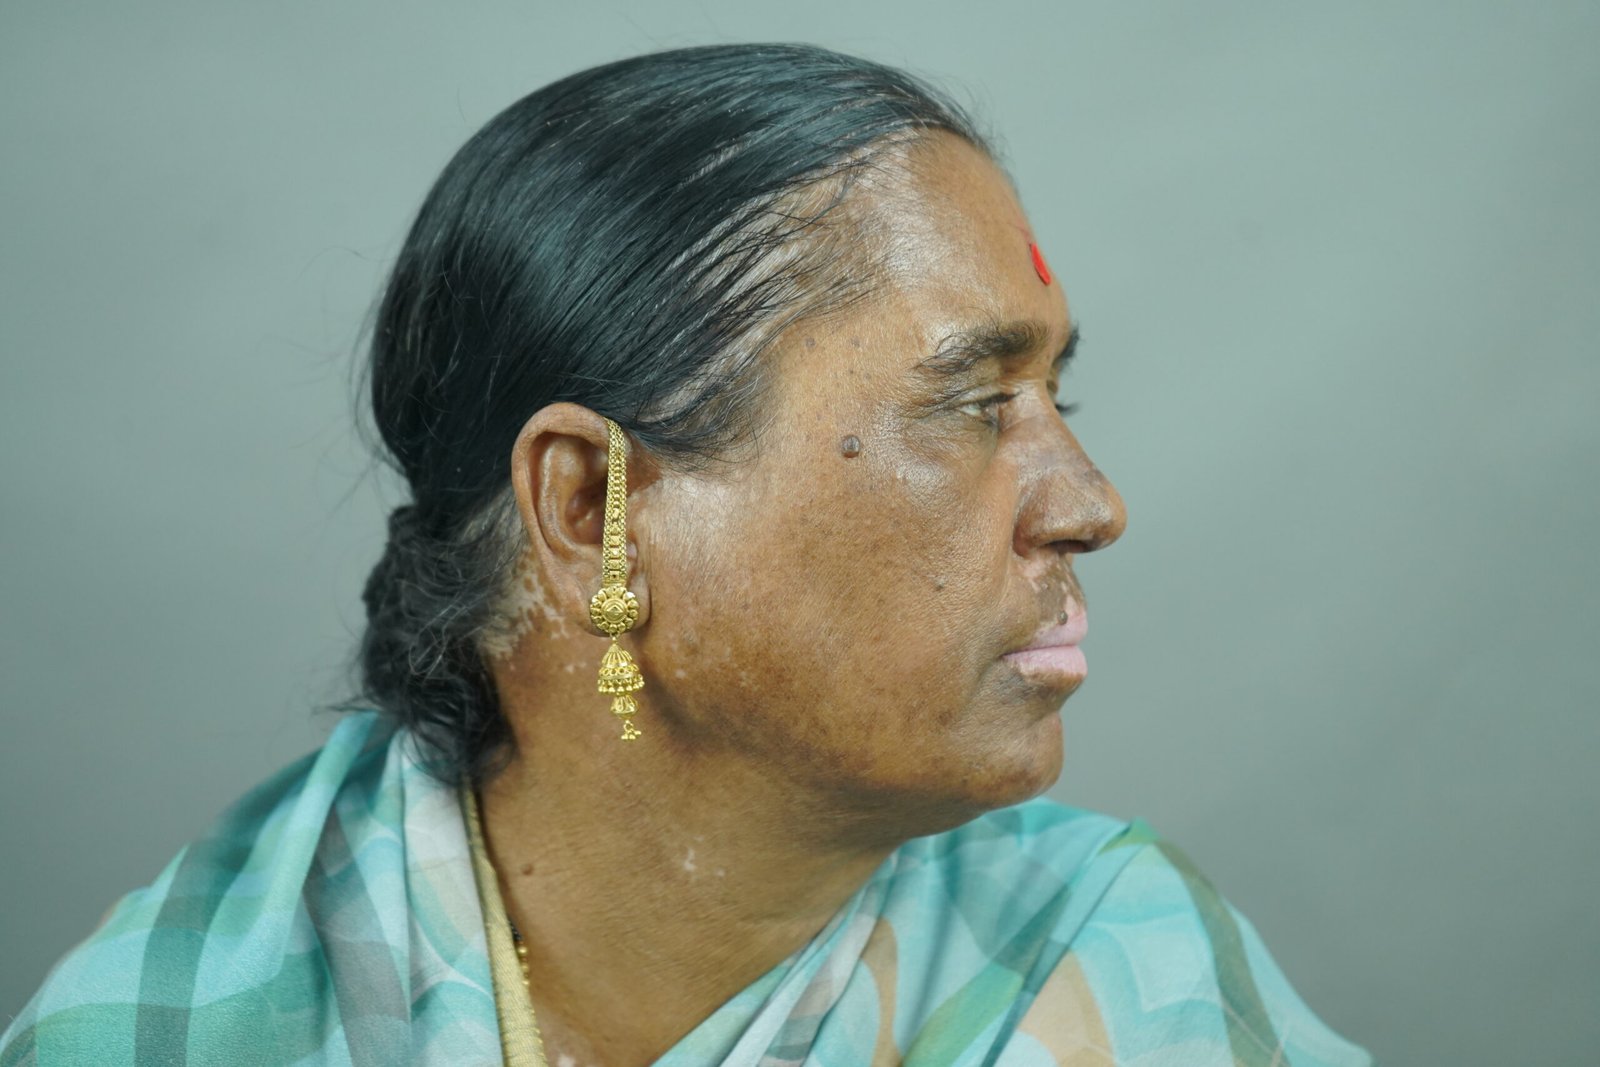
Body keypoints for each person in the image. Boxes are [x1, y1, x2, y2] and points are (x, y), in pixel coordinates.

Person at [0, 43, 1372, 1067]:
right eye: (970, 404)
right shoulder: (186, 1024)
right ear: (592, 510)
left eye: (1053, 399)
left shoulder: (1118, 978)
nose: (1091, 505)